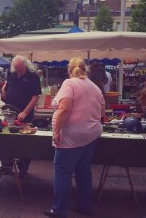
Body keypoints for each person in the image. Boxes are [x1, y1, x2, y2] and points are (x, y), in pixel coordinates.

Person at [44, 58, 105, 218]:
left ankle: (59, 210)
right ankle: (85, 206)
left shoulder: (69, 83)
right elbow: (103, 112)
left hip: (72, 135)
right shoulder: (94, 87)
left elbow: (64, 108)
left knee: (63, 172)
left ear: (69, 70)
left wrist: (56, 131)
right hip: (91, 134)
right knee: (83, 170)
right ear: (86, 70)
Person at [1, 55, 41, 176]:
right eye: (16, 68)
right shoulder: (12, 75)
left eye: (19, 68)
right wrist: (3, 91)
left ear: (25, 66)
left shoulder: (33, 77)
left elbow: (35, 98)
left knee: (24, 142)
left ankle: (23, 167)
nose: (17, 71)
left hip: (25, 114)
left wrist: (25, 112)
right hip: (10, 113)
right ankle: (7, 165)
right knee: (7, 138)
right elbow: (7, 89)